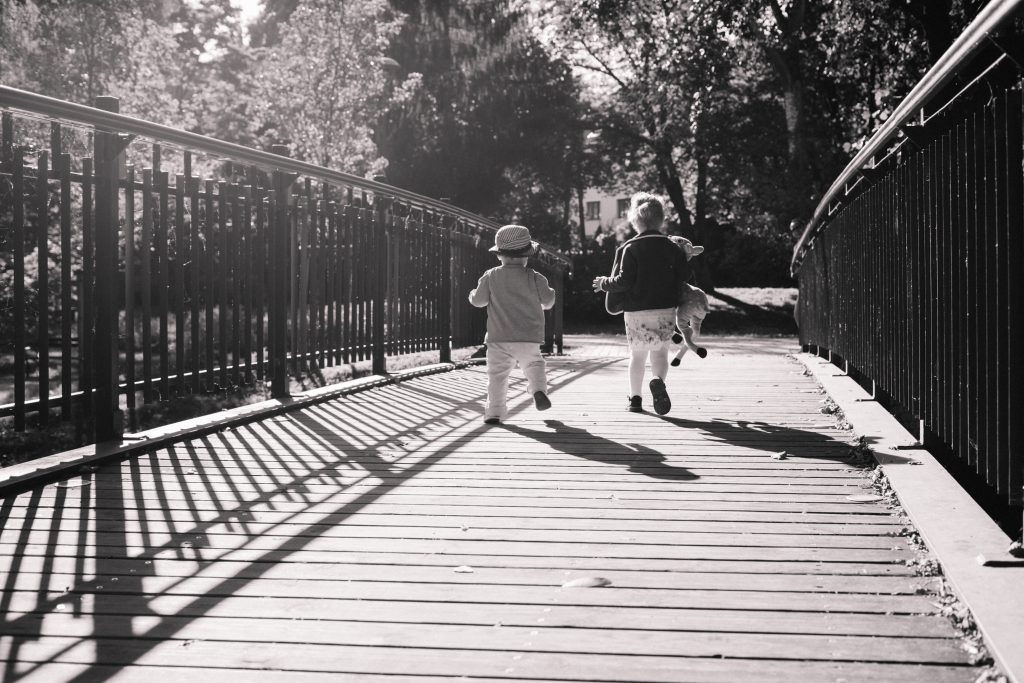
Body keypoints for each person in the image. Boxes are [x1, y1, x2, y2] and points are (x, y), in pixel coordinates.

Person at [592, 193, 691, 415]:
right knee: (660, 354)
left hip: (636, 312)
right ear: (661, 219)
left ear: (634, 219)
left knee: (637, 356)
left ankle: (635, 400)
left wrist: (604, 283)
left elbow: (624, 281)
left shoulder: (631, 248)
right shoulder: (671, 247)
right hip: (665, 309)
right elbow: (685, 276)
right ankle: (657, 381)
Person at [469, 224, 557, 424]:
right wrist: (551, 293)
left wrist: (471, 294)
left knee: (497, 376)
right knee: (534, 364)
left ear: (499, 255)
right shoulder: (535, 277)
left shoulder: (491, 276)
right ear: (527, 255)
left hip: (498, 339)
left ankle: (494, 412)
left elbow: (478, 301)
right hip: (529, 337)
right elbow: (548, 301)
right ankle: (538, 390)